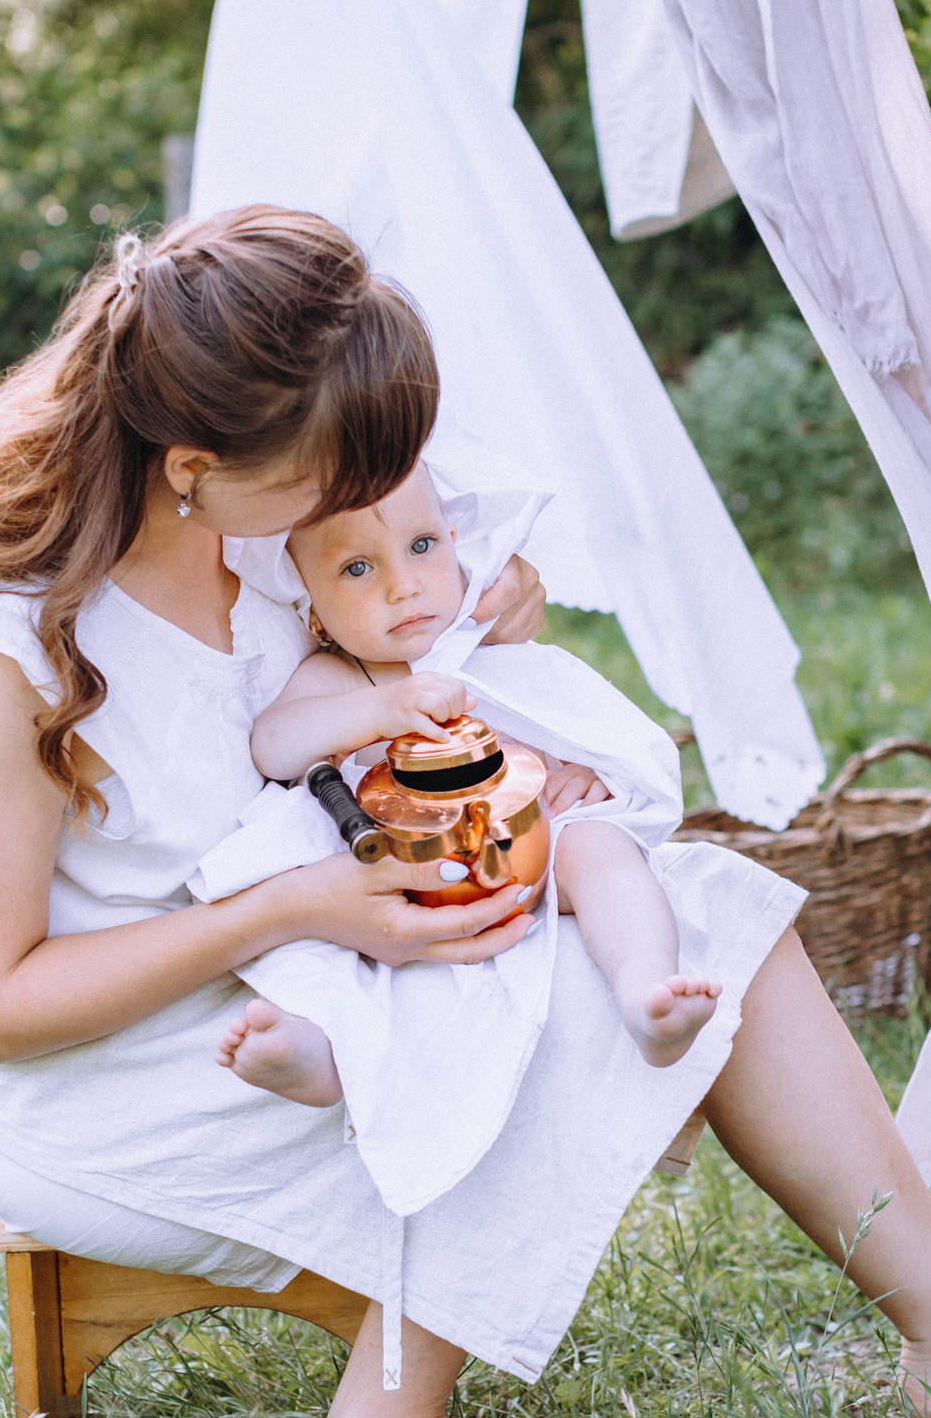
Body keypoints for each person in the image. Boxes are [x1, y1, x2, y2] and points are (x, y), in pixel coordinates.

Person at [0, 205, 931, 1418]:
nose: (360, 495)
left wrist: (487, 618)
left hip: (300, 958)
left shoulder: (253, 537)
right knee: (529, 1006)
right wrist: (299, 910)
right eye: (338, 472)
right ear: (192, 462)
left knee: (706, 912)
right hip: (99, 1071)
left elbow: (379, 667)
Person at [216, 463, 721, 1122]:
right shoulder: (339, 674)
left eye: (422, 547)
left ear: (456, 543)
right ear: (312, 605)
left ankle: (647, 986)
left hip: (520, 854)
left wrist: (581, 769)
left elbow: (558, 721)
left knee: (600, 846)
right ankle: (314, 1050)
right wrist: (379, 708)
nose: (404, 586)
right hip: (398, 875)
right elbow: (273, 746)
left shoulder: (481, 649)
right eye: (357, 569)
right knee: (316, 931)